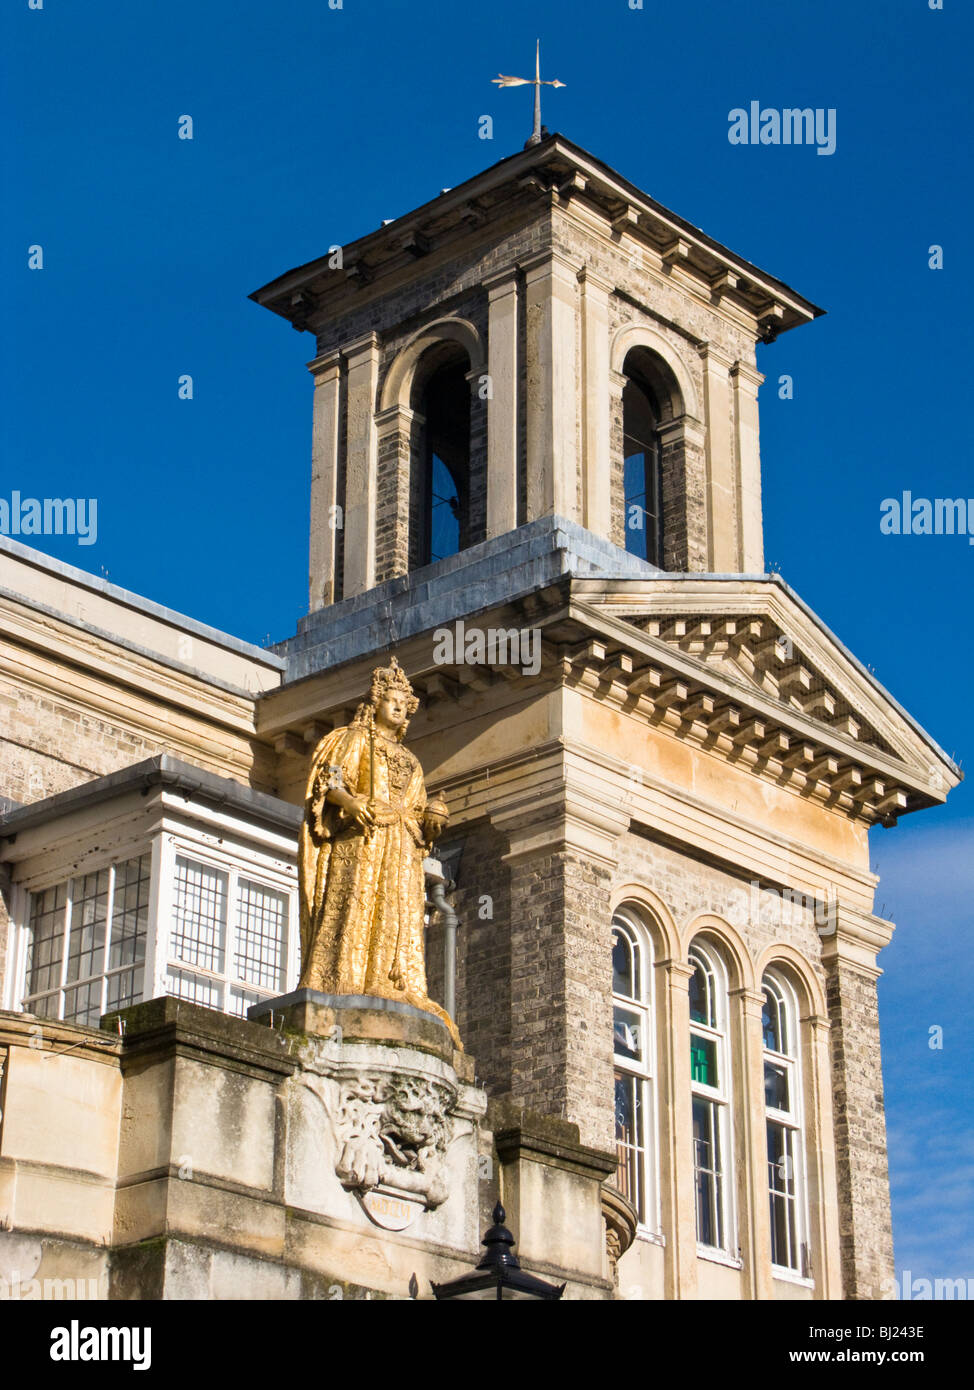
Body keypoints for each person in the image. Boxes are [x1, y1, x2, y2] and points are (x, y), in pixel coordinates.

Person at [298, 657, 460, 1048]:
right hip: (364, 839)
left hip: (403, 845)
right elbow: (330, 780)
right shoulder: (355, 740)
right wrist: (350, 803)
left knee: (399, 913)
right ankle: (345, 976)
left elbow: (420, 809)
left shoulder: (412, 760)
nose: (399, 707)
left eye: (404, 703)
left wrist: (433, 821)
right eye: (392, 700)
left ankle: (391, 980)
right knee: (359, 904)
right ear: (376, 703)